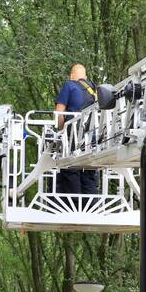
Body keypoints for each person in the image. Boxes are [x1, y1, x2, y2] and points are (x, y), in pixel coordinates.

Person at [54, 64, 99, 197]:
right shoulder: (93, 88)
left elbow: (59, 113)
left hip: (73, 136)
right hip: (92, 136)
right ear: (85, 77)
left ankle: (72, 208)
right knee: (89, 172)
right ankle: (91, 209)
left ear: (72, 76)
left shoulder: (69, 85)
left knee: (71, 169)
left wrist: (60, 130)